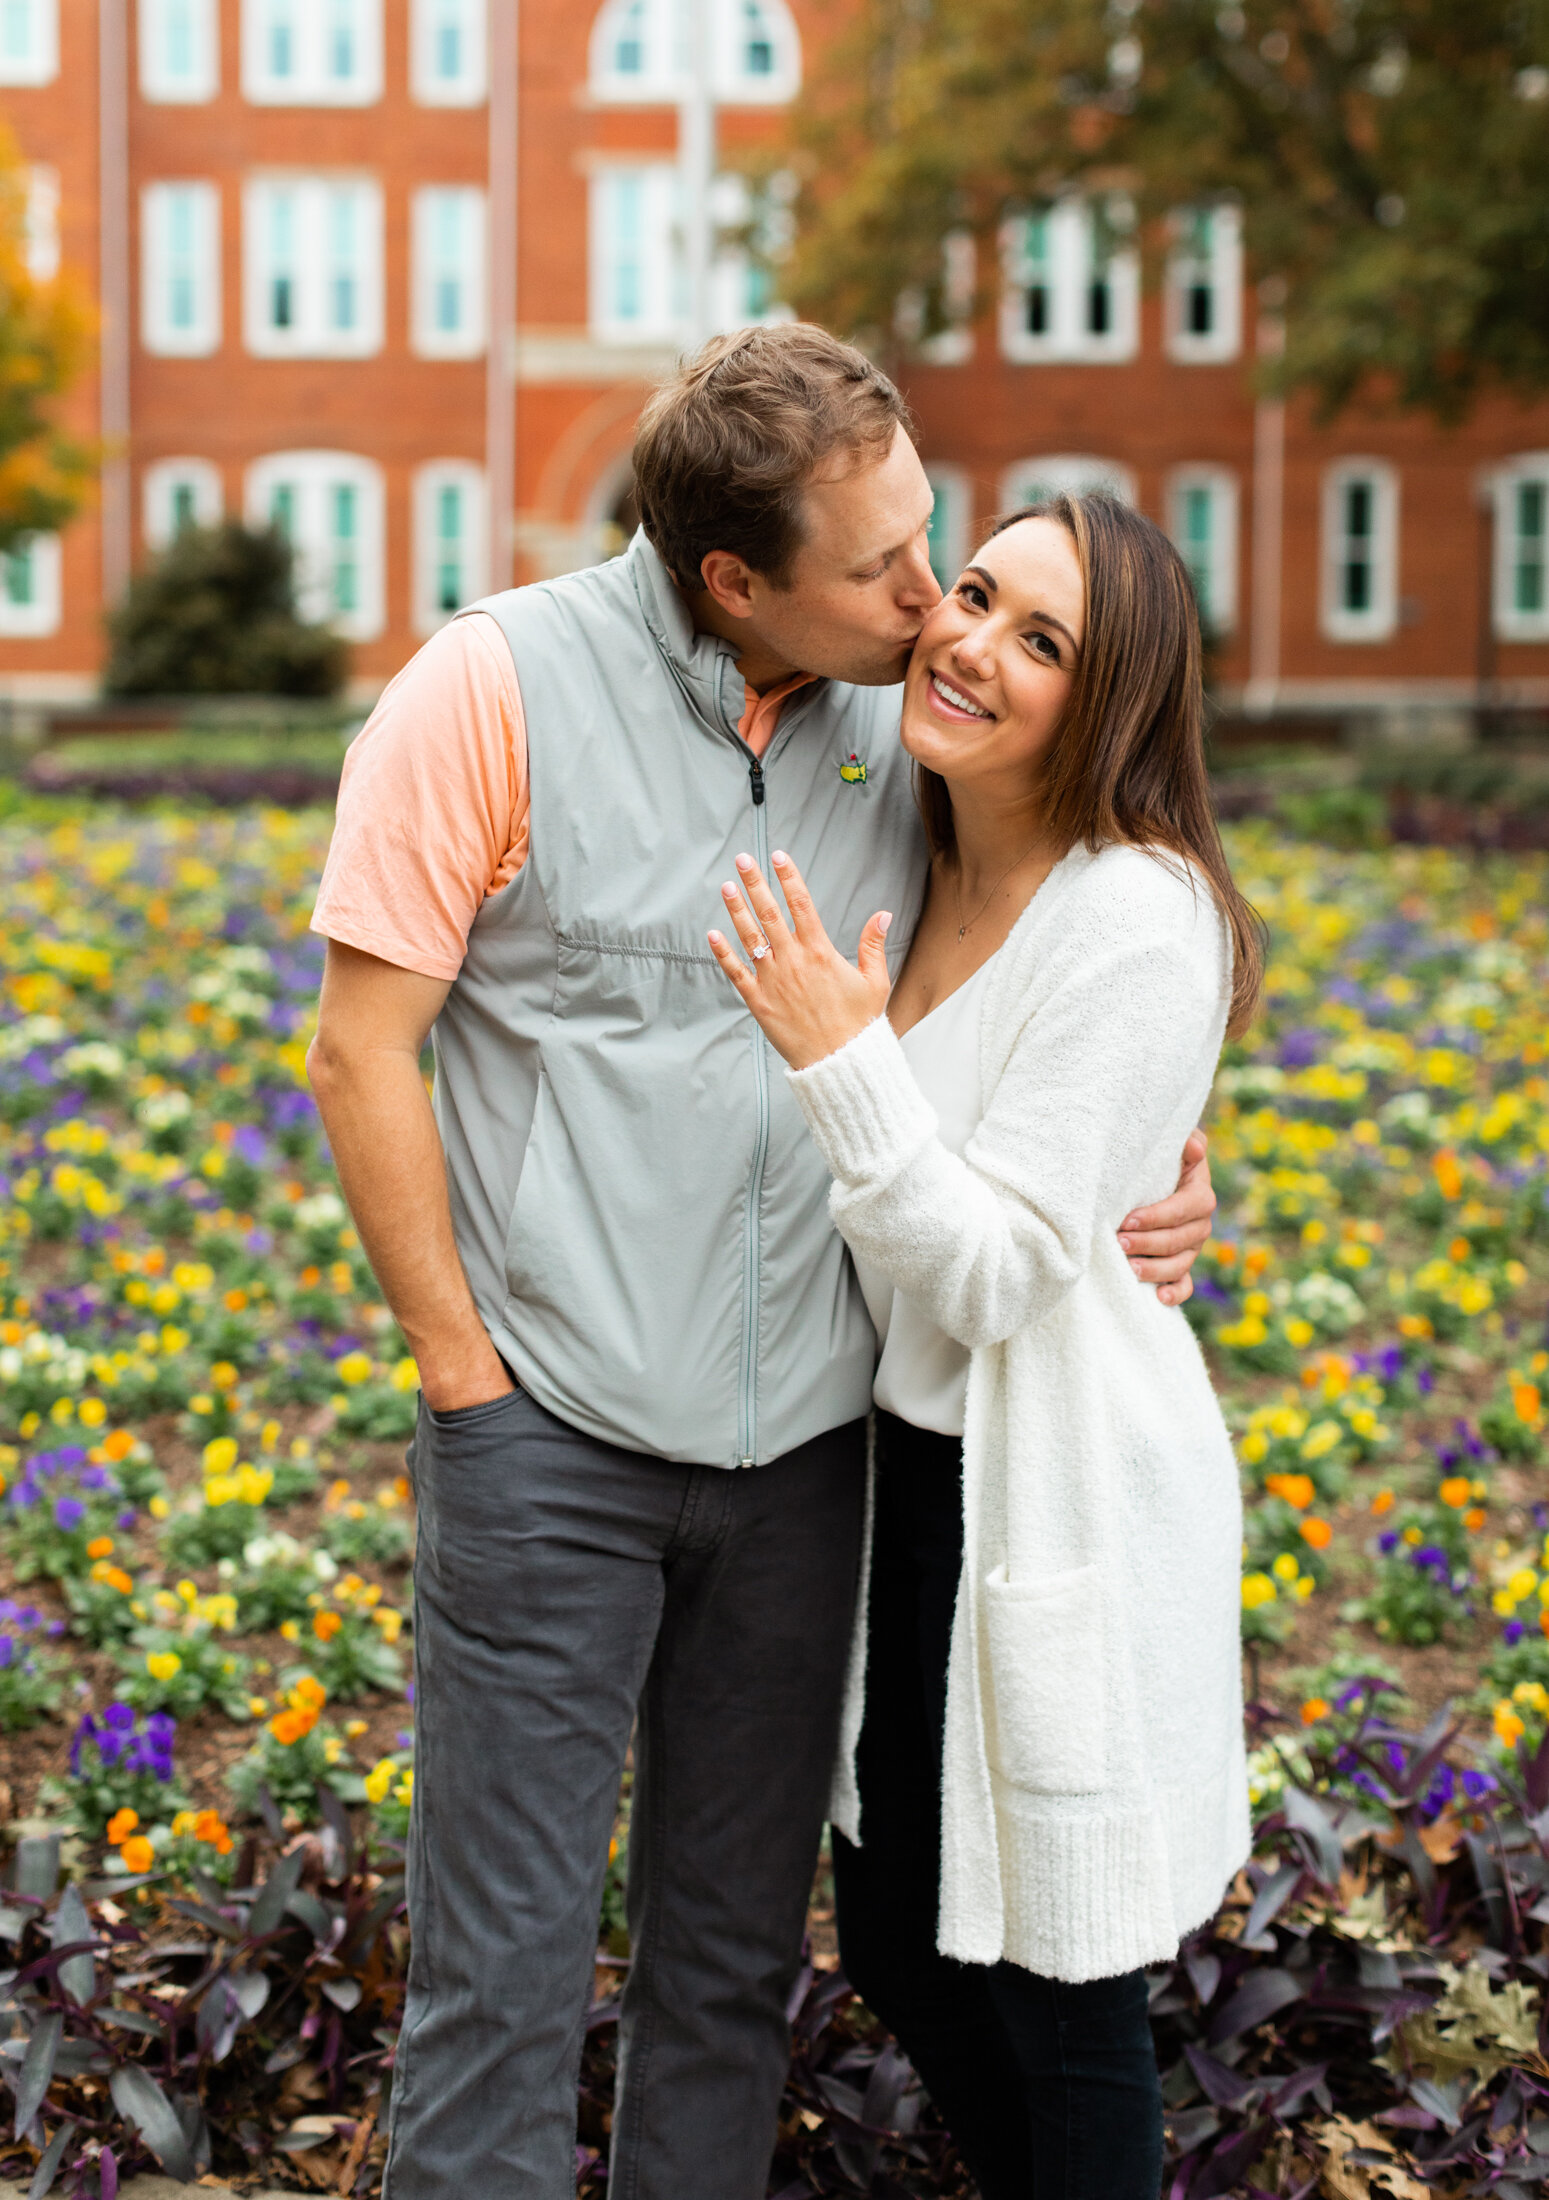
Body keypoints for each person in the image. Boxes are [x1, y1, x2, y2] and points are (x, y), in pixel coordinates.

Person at [305, 327, 1219, 2200]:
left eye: (940, 545)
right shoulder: (485, 691)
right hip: (547, 1438)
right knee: (500, 1983)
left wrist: (1162, 1170)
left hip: (812, 1463)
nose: (931, 607)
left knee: (729, 1976)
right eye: (893, 571)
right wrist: (464, 1384)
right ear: (737, 581)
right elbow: (356, 1050)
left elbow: (1083, 948)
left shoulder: (910, 717)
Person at [707, 492, 1258, 2200]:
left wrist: (835, 1056)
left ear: (1112, 704)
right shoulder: (905, 839)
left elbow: (994, 1275)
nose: (970, 644)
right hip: (902, 1471)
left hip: (1053, 1480)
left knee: (1059, 1975)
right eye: (971, 592)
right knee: (900, 1935)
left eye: (1044, 643)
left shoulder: (1134, 917)